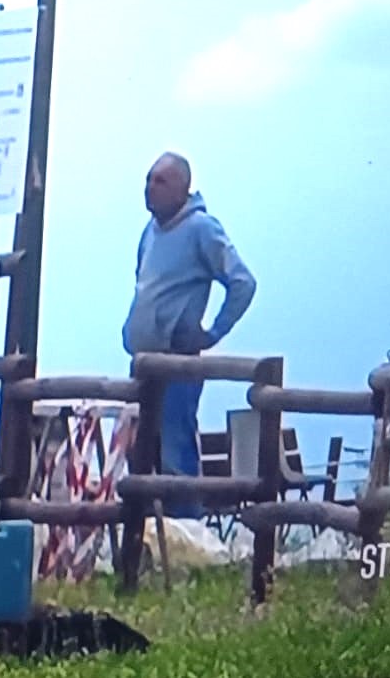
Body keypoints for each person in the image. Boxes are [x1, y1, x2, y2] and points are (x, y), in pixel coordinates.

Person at [119, 152, 257, 517]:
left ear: (182, 187)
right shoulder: (150, 231)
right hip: (144, 364)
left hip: (177, 364)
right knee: (142, 454)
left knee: (176, 454)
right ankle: (149, 544)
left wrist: (212, 333)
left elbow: (242, 282)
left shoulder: (201, 228)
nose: (150, 189)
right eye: (148, 180)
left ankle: (188, 542)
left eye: (160, 181)